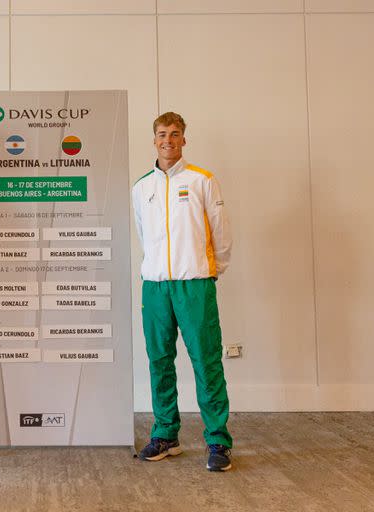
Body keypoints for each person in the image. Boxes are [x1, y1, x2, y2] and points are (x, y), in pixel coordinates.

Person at [131, 112, 233, 471]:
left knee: (206, 361)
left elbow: (220, 234)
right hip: (156, 287)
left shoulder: (203, 180)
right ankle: (165, 434)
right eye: (162, 134)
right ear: (154, 139)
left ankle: (218, 440)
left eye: (175, 134)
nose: (168, 140)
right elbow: (144, 237)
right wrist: (158, 270)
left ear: (184, 140)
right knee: (159, 362)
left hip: (195, 284)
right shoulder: (141, 187)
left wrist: (209, 270)